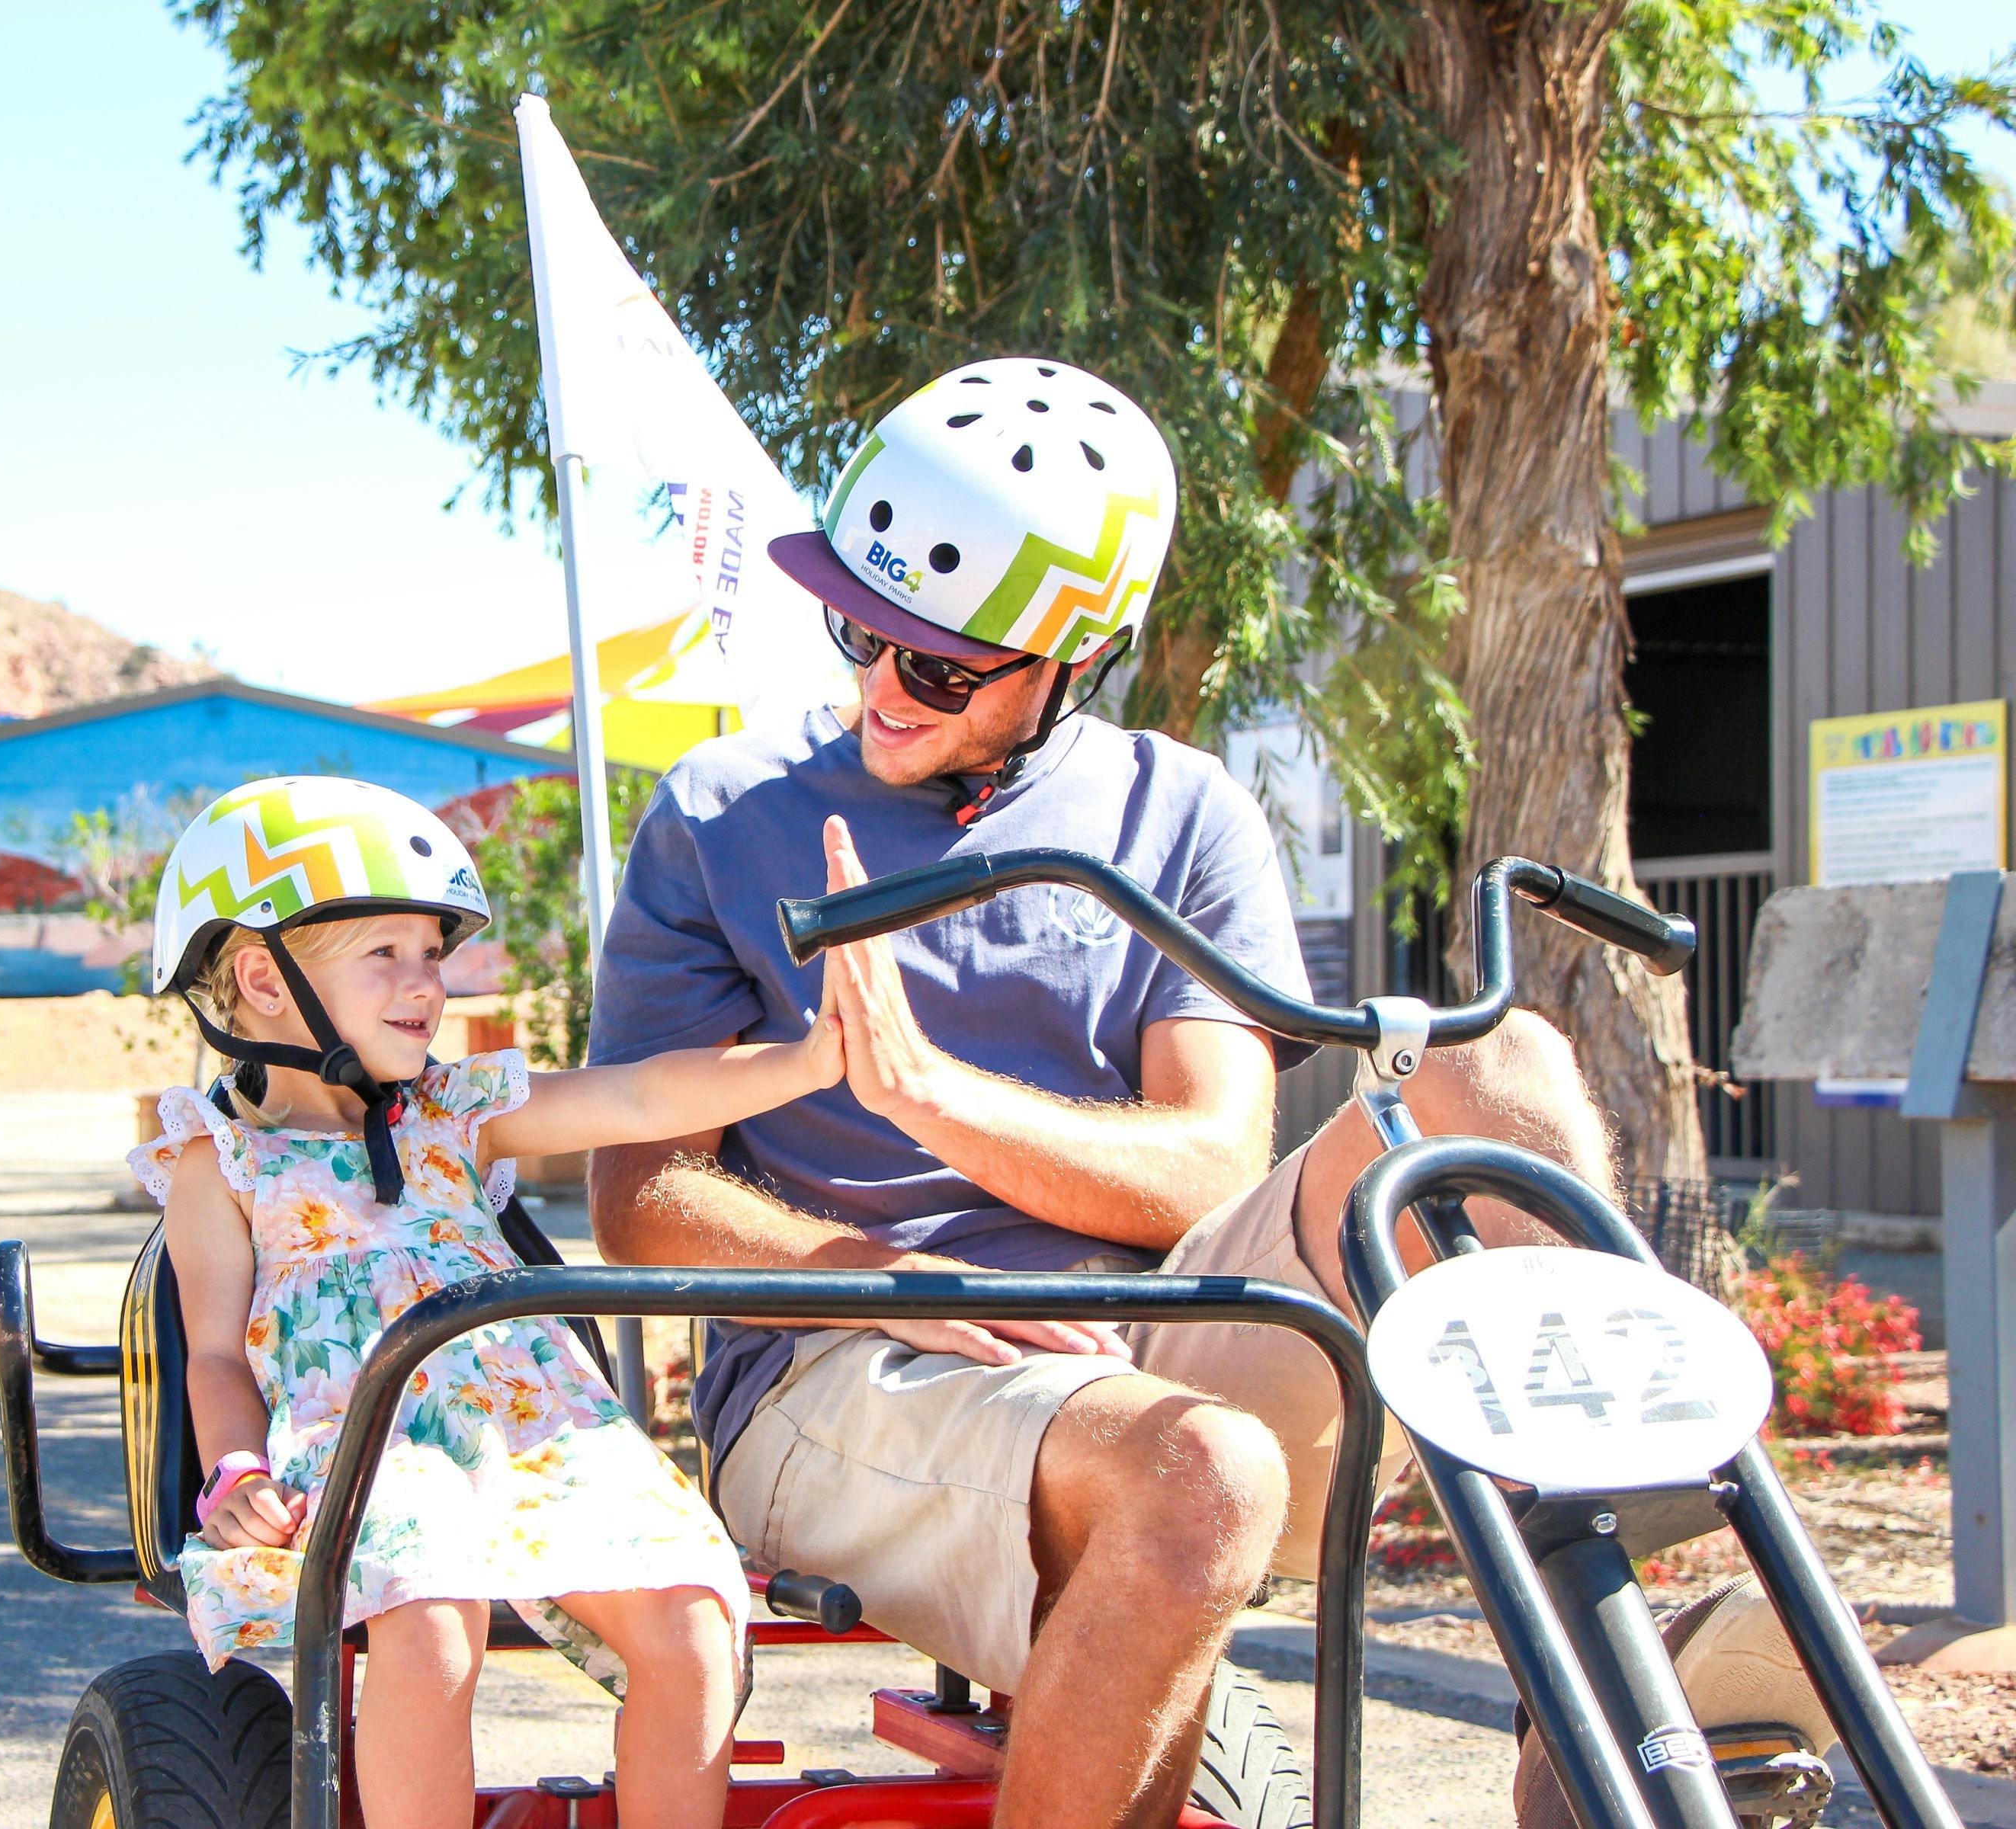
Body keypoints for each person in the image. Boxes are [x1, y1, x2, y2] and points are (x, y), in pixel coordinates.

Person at [585, 357, 1636, 1827]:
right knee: (1199, 1473)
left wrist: (936, 1098)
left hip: (1169, 1323)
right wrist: (928, 1279)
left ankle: (1610, 1670)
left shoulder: (1178, 809)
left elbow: (1211, 1169)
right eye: (860, 630)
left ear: (1075, 657)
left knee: (1497, 1068)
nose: (880, 689)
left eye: (941, 667)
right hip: (847, 1356)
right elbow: (643, 1203)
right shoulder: (719, 814)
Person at [127, 775, 848, 1829]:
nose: (429, 985)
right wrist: (234, 1467)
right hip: (363, 1437)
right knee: (428, 1618)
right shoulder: (221, 1158)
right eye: (388, 955)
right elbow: (215, 1357)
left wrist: (811, 1061)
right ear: (262, 976)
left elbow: (643, 1093)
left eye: (435, 955)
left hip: (541, 1424)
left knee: (696, 1617)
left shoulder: (455, 1114)